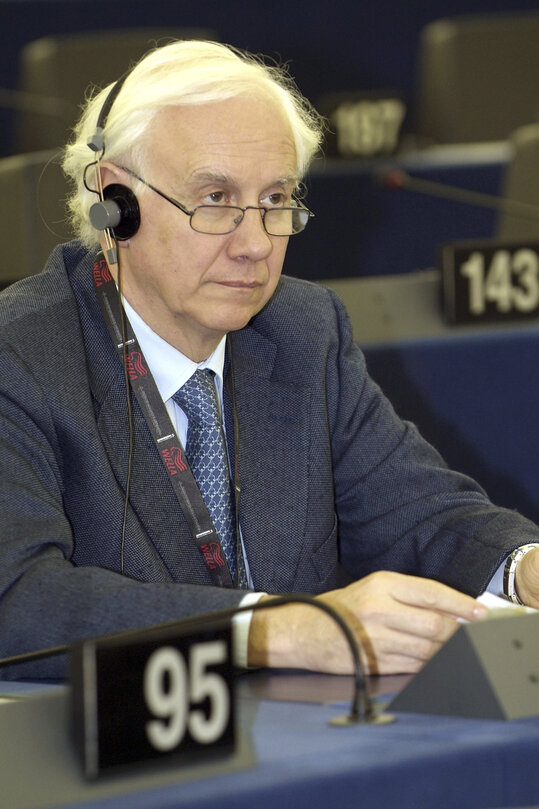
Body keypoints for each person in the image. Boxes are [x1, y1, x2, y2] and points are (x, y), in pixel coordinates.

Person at [0, 40, 538, 682]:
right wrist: (274, 630)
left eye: (276, 200)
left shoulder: (303, 331)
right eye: (217, 200)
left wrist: (523, 564)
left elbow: (419, 511)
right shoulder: (22, 356)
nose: (255, 245)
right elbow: (20, 600)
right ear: (118, 203)